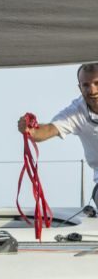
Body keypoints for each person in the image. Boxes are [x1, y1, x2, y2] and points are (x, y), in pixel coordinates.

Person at [17, 63, 98, 201]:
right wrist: (30, 130)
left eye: (97, 83)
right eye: (86, 85)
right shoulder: (76, 111)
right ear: (79, 88)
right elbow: (49, 129)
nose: (92, 90)